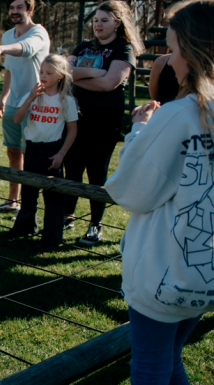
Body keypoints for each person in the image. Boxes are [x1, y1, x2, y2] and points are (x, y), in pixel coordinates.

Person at [104, 2, 214, 383]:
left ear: (194, 50)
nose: (169, 60)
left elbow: (131, 191)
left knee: (150, 365)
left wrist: (140, 132)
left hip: (165, 270)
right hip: (205, 270)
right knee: (171, 357)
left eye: (173, 49)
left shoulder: (180, 115)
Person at [64, 0, 144, 245]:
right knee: (72, 166)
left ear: (117, 23)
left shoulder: (124, 48)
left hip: (104, 120)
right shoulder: (84, 45)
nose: (98, 25)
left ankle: (95, 224)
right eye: (96, 20)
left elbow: (110, 84)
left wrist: (76, 78)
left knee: (96, 171)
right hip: (74, 115)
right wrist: (98, 73)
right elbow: (63, 72)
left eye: (104, 20)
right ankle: (67, 216)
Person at [0, 0, 50, 217]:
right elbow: (9, 69)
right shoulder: (8, 35)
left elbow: (27, 50)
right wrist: (4, 97)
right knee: (13, 151)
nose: (14, 11)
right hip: (13, 103)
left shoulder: (39, 33)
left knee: (32, 156)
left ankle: (31, 209)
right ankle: (12, 201)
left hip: (37, 103)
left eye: (19, 7)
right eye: (11, 7)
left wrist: (0, 48)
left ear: (30, 9)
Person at [8, 54, 78, 251]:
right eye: (41, 72)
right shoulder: (33, 95)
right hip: (31, 148)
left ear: (60, 76)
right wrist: (30, 98)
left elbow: (72, 130)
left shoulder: (66, 101)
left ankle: (52, 238)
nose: (43, 76)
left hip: (52, 151)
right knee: (29, 192)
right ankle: (24, 228)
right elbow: (17, 119)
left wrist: (61, 154)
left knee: (53, 197)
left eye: (49, 73)